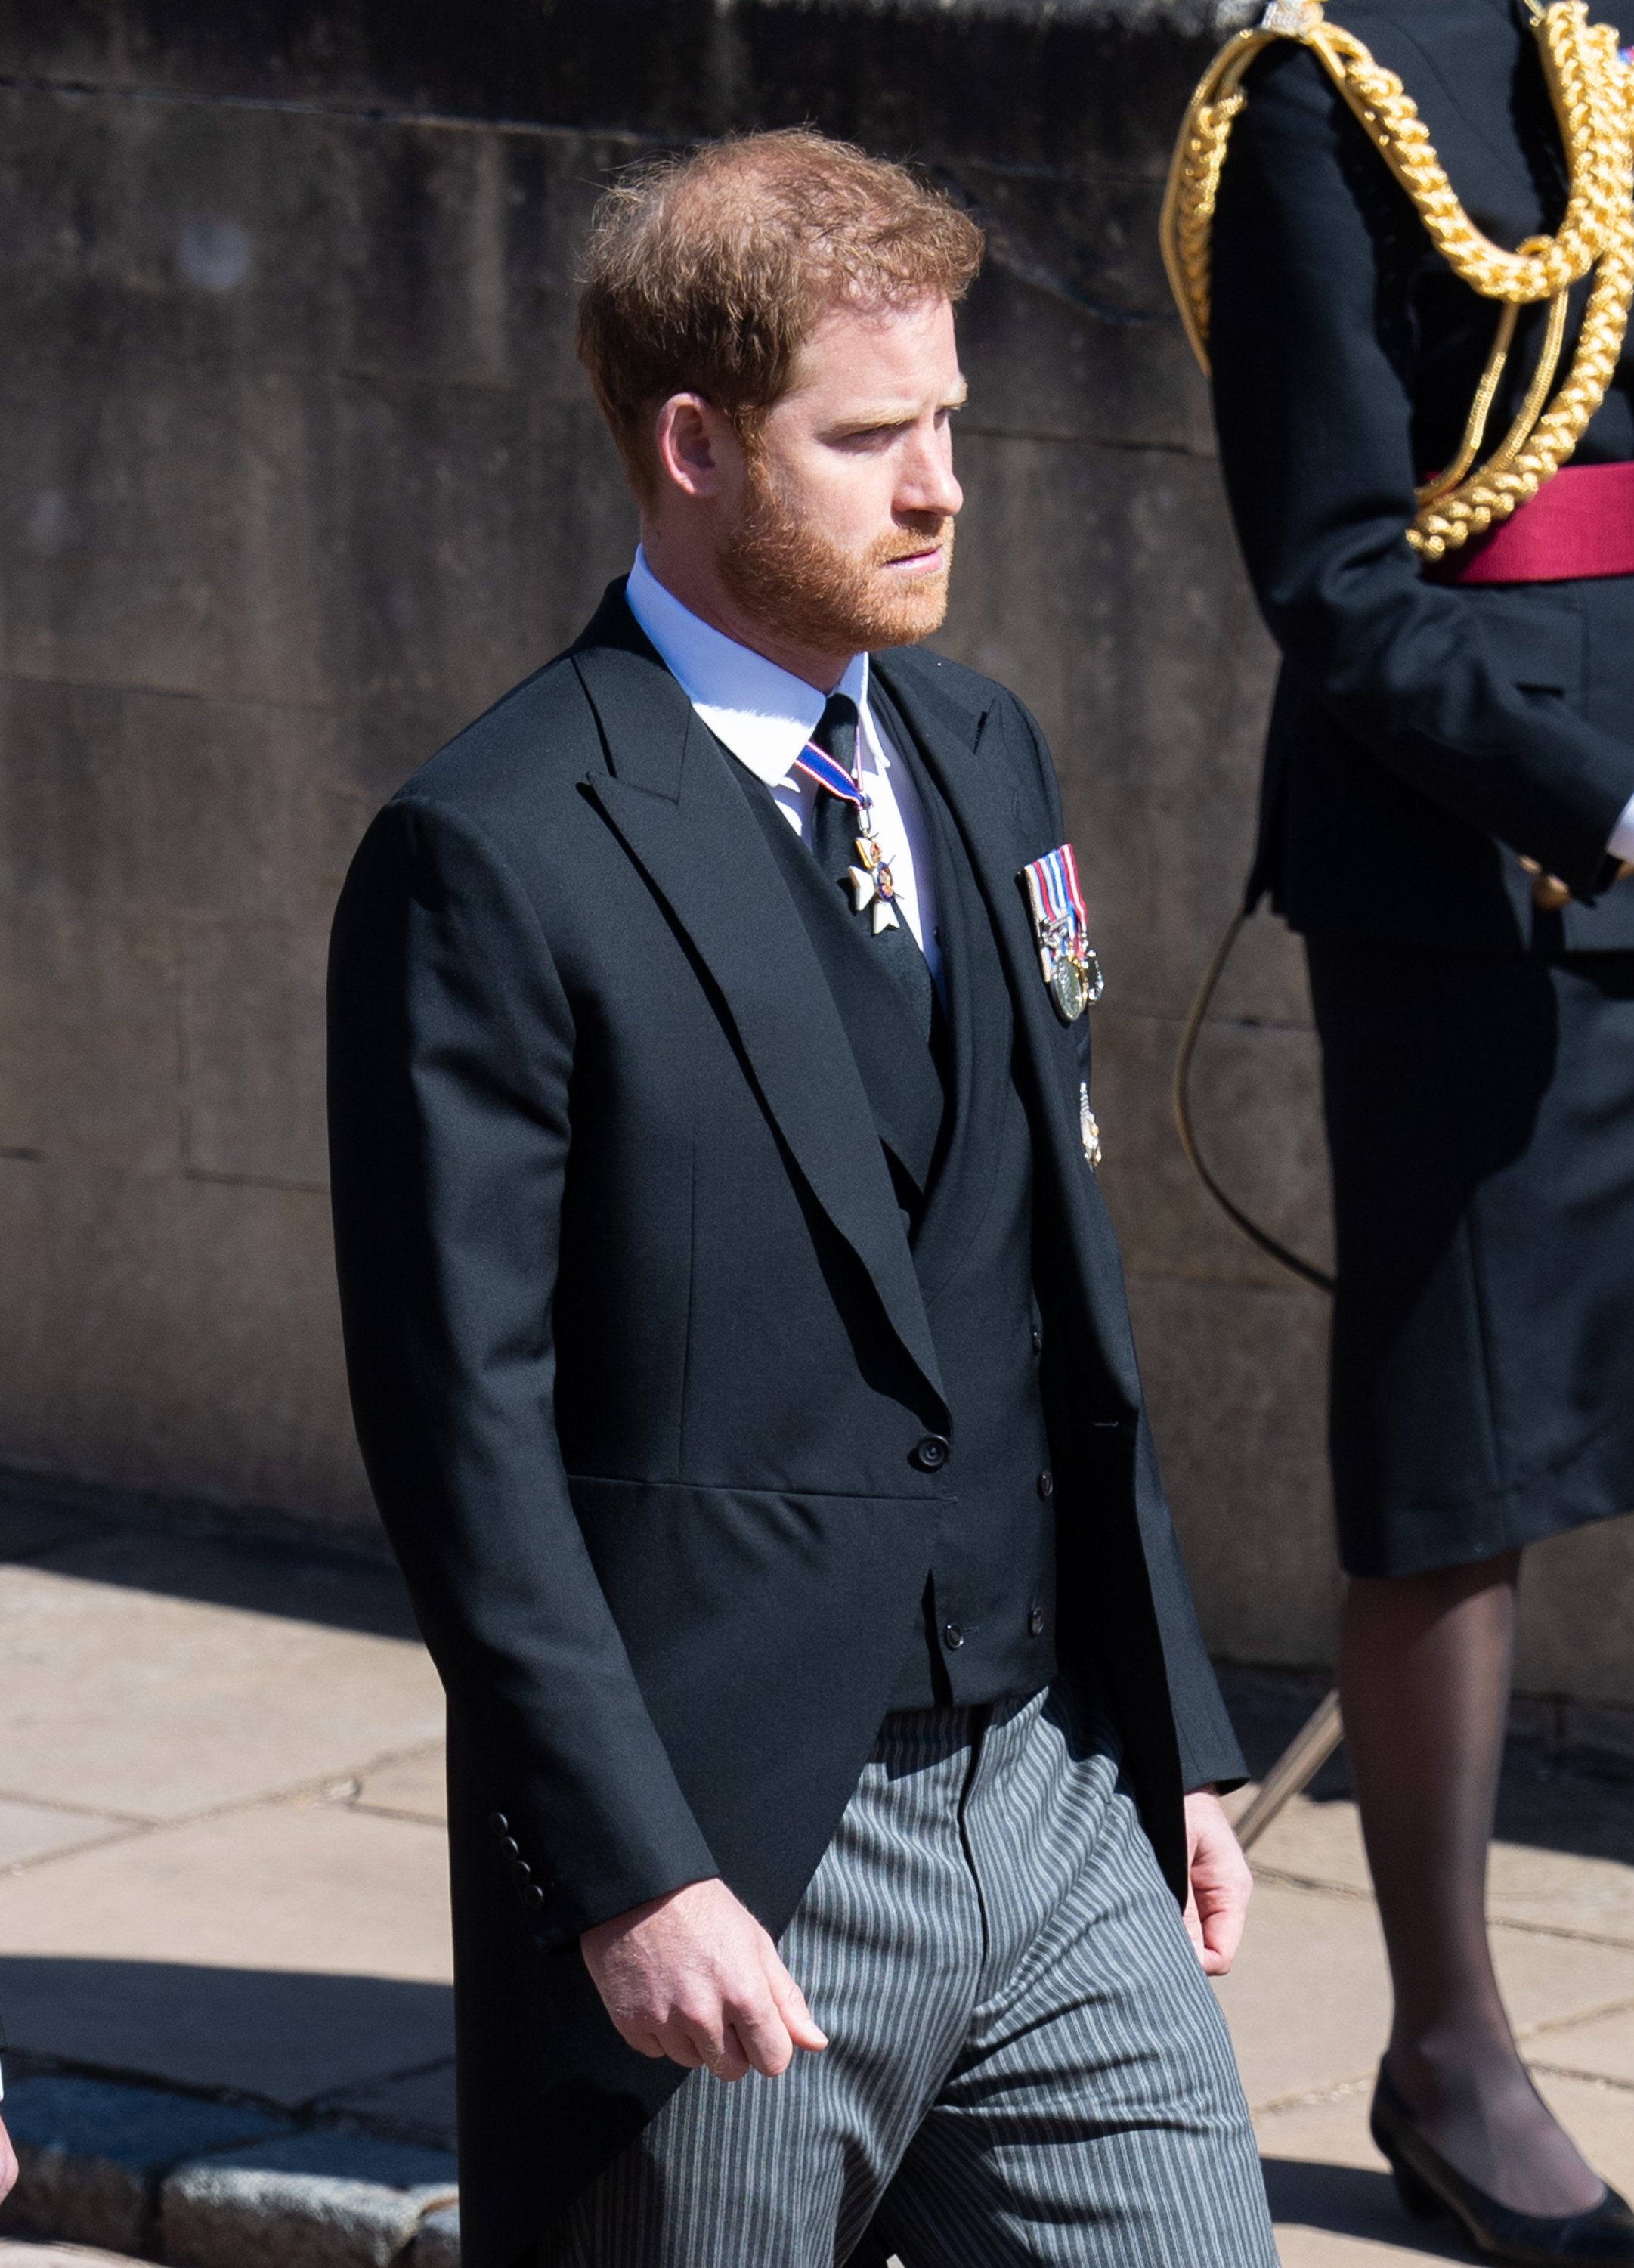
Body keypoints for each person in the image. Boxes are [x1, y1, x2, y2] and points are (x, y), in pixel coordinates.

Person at [329, 129, 1277, 2268]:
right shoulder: (492, 851)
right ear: (687, 442)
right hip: (739, 1844)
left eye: (947, 420)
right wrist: (623, 1869)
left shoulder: (977, 747)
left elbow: (1062, 1280)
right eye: (869, 438)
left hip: (1048, 1791)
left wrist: (1171, 1737)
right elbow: (456, 1428)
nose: (943, 485)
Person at [1174, 2, 1634, 2260]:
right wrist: (1607, 802)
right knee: (1461, 1464)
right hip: (1485, 855)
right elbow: (1334, 578)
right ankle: (1444, 2055)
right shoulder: (1315, 96)